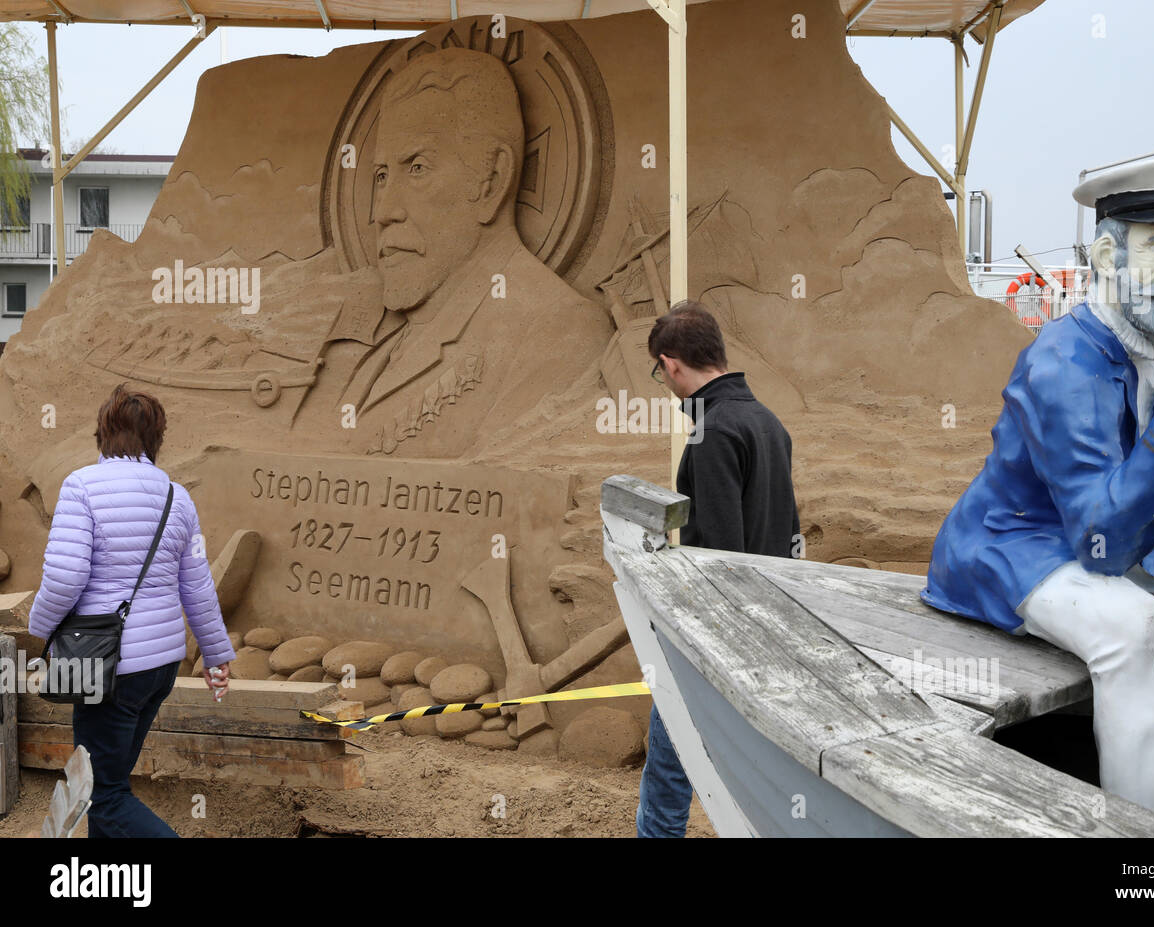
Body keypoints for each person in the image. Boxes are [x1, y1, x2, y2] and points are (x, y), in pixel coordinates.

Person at [922, 157, 1154, 836]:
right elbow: (1100, 542)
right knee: (1135, 628)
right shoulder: (1061, 361)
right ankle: (1151, 848)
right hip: (1024, 543)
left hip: (1128, 535)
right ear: (1106, 255)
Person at [290, 46, 609, 457]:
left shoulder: (559, 333)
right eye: (382, 176)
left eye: (417, 168)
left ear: (492, 180)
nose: (383, 212)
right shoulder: (386, 347)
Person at [27, 383, 237, 837]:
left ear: (103, 432)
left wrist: (39, 629)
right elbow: (196, 584)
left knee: (101, 795)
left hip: (106, 667)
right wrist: (216, 656)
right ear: (156, 438)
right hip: (159, 667)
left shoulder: (81, 486)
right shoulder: (175, 496)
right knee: (110, 789)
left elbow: (64, 578)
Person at [637, 300, 800, 837]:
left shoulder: (713, 434)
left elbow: (718, 556)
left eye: (659, 372)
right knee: (754, 778)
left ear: (671, 364)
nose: (664, 382)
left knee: (668, 773)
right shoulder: (768, 422)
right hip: (770, 624)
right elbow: (789, 532)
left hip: (715, 636)